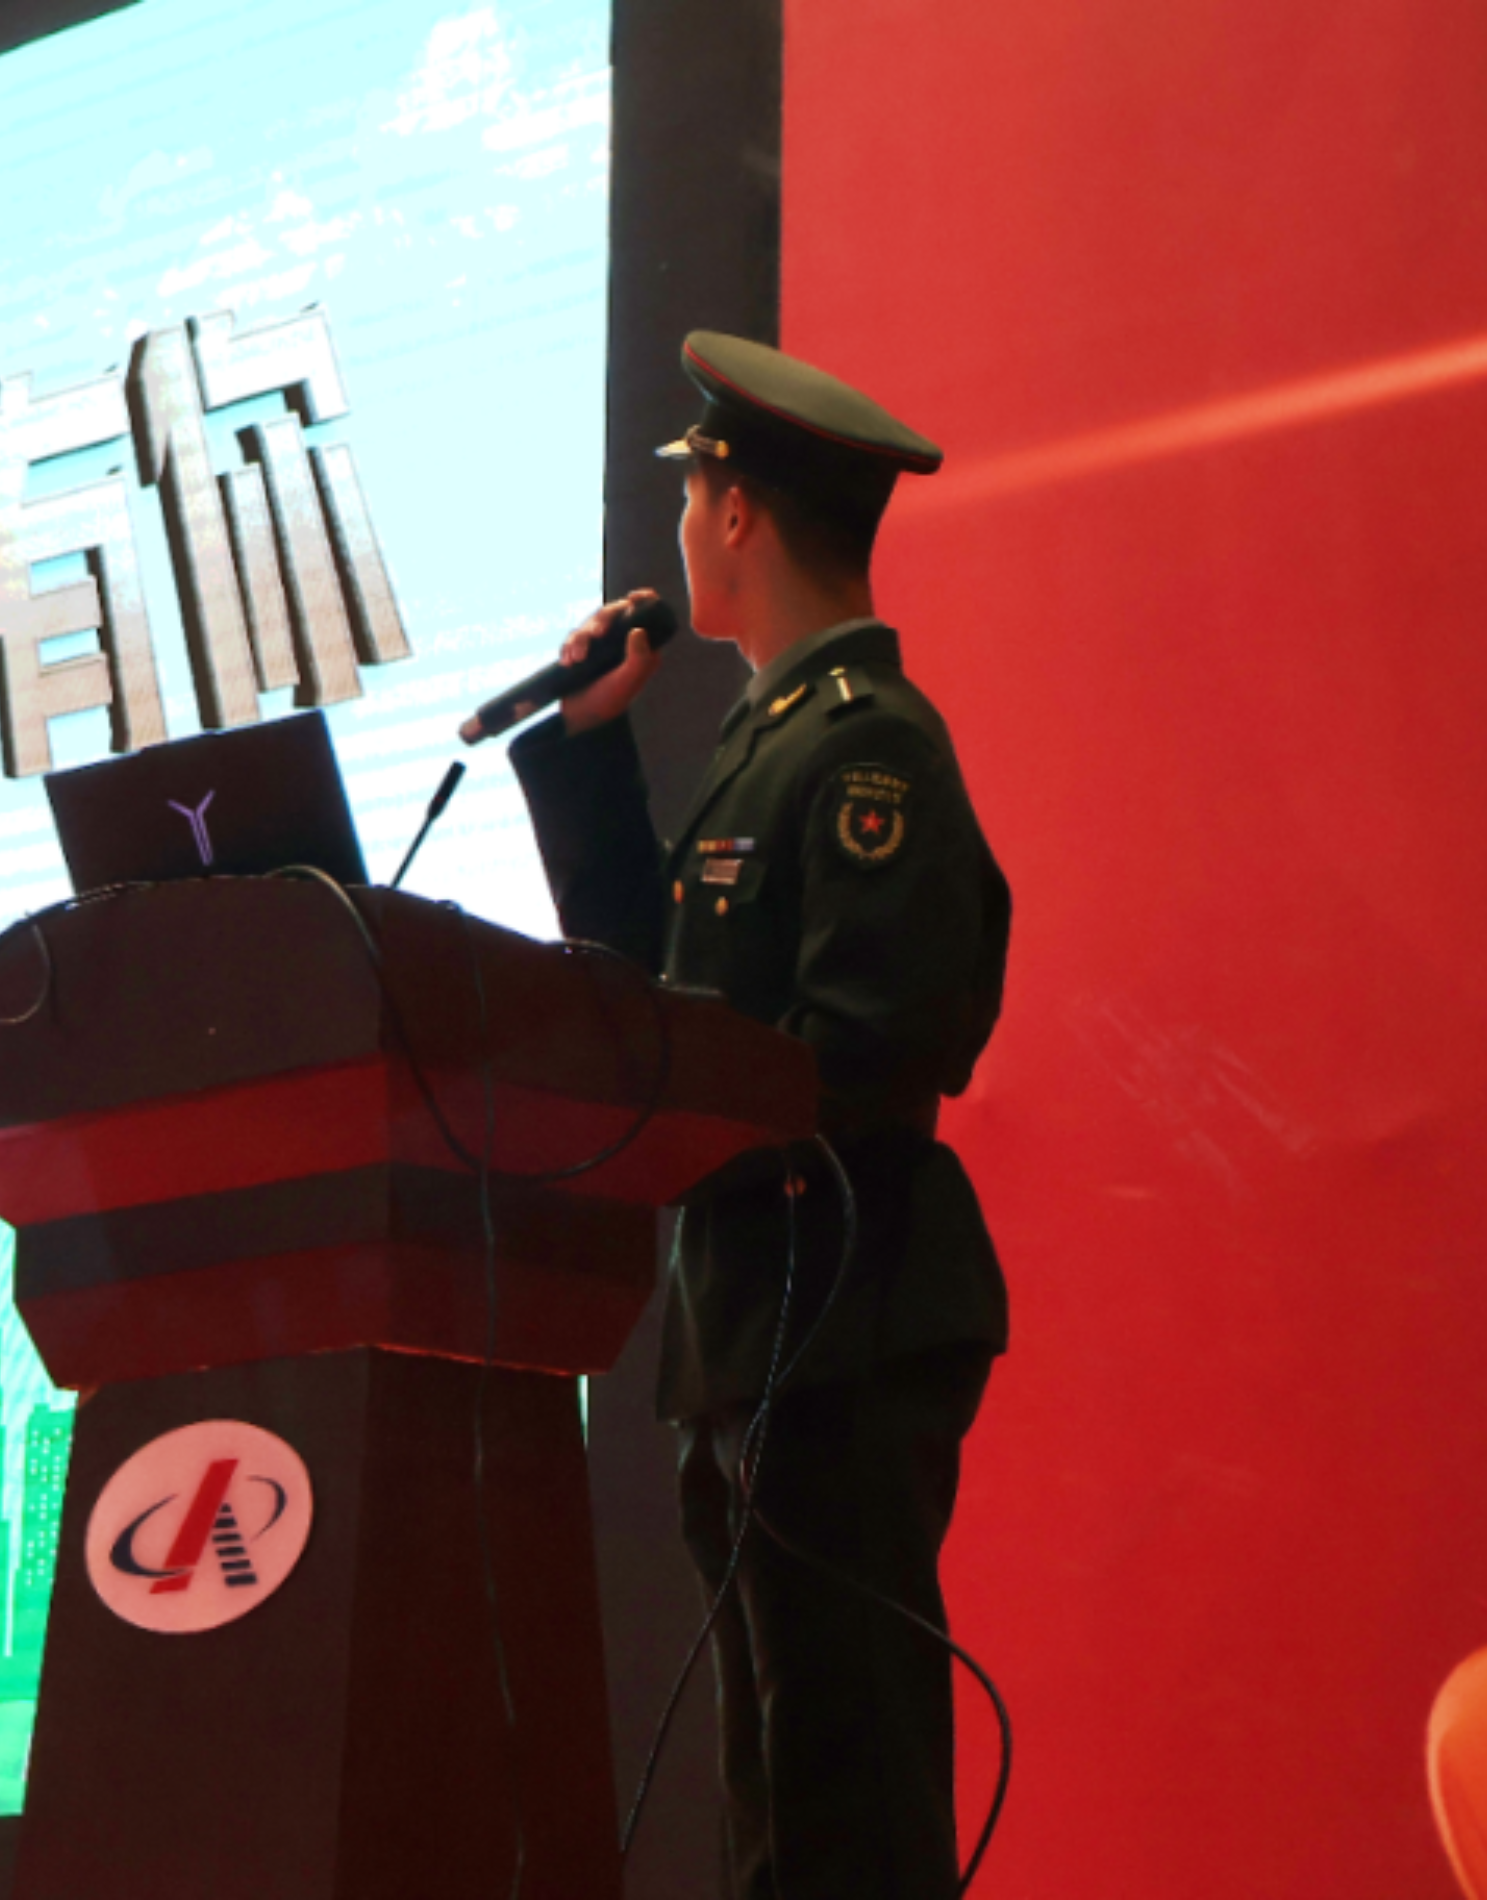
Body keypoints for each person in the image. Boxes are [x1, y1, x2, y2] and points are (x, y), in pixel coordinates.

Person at [507, 332, 1012, 1899]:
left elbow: (876, 1040)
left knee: (840, 1777)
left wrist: (694, 1104)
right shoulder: (765, 738)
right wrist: (583, 747)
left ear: (730, 513)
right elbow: (649, 997)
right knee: (775, 1786)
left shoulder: (865, 745)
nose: (678, 527)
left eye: (689, 495)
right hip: (751, 1314)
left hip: (835, 1313)